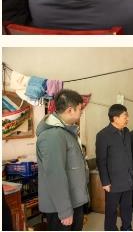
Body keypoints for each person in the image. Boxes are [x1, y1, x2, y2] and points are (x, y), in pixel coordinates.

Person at [36, 89, 88, 231]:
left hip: (73, 201)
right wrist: (65, 211)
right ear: (70, 110)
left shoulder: (66, 133)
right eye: (80, 109)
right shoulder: (53, 136)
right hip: (61, 207)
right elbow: (55, 175)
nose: (81, 113)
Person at [95, 104, 133, 231]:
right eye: (125, 116)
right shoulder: (103, 135)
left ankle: (127, 227)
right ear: (115, 118)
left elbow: (128, 154)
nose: (127, 118)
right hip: (113, 182)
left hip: (127, 179)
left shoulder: (126, 132)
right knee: (111, 210)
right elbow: (101, 161)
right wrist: (105, 182)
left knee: (127, 207)